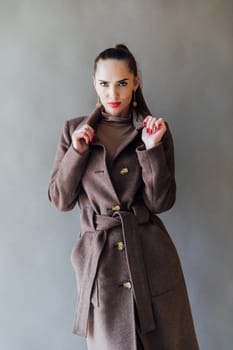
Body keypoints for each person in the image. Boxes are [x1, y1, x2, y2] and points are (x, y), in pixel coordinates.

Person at [48, 44, 199, 350]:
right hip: (101, 265)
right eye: (104, 84)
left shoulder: (154, 131)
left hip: (151, 260)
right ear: (94, 83)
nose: (112, 93)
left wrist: (152, 147)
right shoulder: (73, 132)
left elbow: (161, 202)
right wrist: (77, 152)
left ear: (136, 82)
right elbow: (60, 200)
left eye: (121, 83)